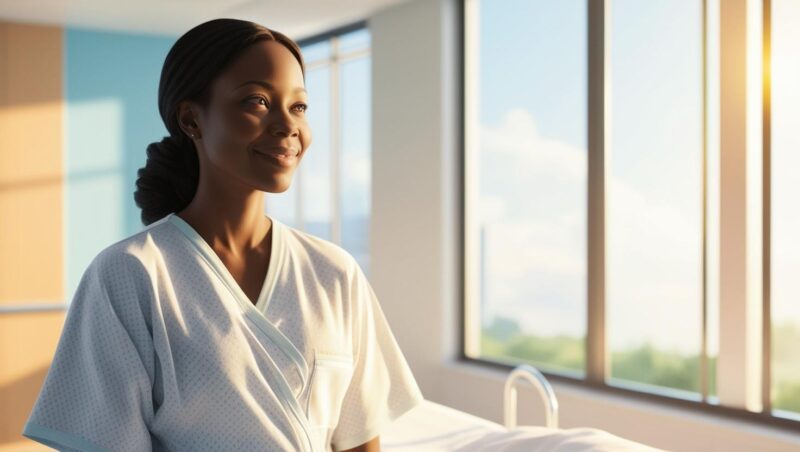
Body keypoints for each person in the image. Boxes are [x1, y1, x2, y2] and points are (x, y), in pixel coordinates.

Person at [22, 18, 424, 452]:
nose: (287, 125)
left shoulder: (334, 272)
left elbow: (359, 439)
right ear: (192, 119)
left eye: (299, 107)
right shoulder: (129, 274)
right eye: (257, 101)